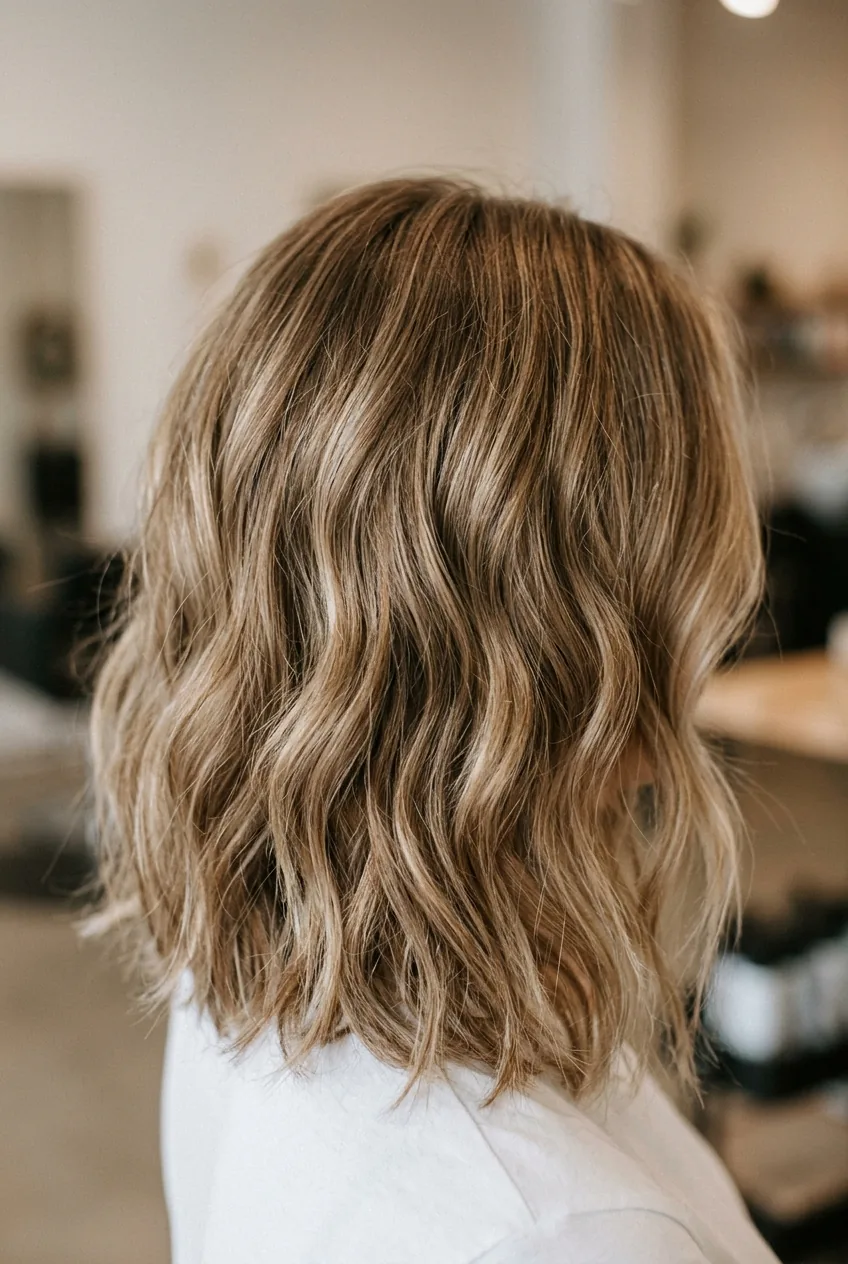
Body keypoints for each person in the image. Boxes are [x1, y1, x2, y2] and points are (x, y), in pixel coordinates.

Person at [88, 177, 776, 1263]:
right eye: (695, 568)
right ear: (568, 643)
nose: (716, 623)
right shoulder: (556, 1234)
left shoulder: (254, 961)